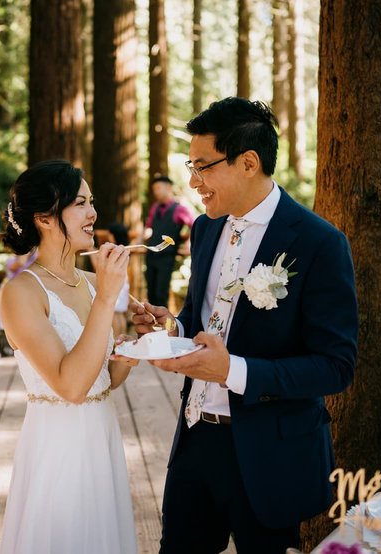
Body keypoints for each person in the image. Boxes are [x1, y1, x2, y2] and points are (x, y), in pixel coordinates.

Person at [131, 98, 358, 553]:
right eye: (189, 166)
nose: (193, 182)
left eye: (203, 167)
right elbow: (201, 319)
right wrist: (173, 330)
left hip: (270, 455)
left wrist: (233, 371)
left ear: (248, 162)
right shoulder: (205, 229)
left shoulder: (319, 243)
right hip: (195, 440)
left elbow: (336, 366)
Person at [0, 159, 138, 553]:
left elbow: (102, 379)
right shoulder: (21, 292)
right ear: (44, 217)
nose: (93, 213)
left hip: (102, 433)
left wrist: (131, 349)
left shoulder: (93, 282)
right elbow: (71, 386)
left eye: (91, 202)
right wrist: (110, 297)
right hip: (58, 444)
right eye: (80, 203)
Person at [144, 174, 195, 307]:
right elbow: (148, 228)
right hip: (151, 254)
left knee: (161, 292)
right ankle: (151, 323)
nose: (156, 192)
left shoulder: (179, 209)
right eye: (154, 188)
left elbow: (194, 225)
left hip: (166, 256)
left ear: (168, 188)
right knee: (151, 292)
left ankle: (162, 325)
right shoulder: (155, 208)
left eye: (158, 188)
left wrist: (188, 243)